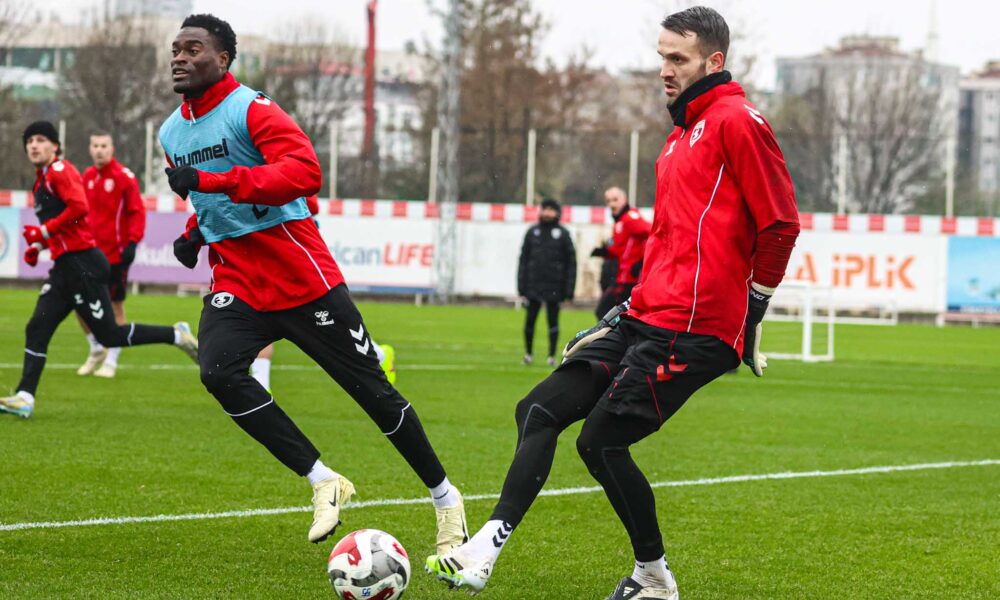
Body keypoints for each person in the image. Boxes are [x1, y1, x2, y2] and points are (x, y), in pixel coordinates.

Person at [426, 7, 800, 599]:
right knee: (537, 409)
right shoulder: (678, 138)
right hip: (646, 316)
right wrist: (625, 310)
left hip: (693, 328)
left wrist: (752, 313)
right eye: (662, 57)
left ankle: (654, 579)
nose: (665, 70)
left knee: (599, 442)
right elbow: (670, 243)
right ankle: (485, 550)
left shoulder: (738, 121)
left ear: (714, 61)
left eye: (678, 58)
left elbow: (780, 224)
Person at [161, 14, 465, 549]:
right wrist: (195, 233)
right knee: (218, 371)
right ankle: (324, 480)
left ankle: (446, 499)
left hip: (300, 274)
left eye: (193, 49)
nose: (180, 58)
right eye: (176, 50)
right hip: (237, 279)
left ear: (223, 59)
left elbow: (304, 173)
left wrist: (215, 180)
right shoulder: (170, 132)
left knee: (373, 393)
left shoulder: (252, 108)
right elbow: (212, 203)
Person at [0, 122, 199, 419]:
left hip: (84, 265)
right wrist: (41, 245)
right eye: (29, 141)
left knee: (110, 335)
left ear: (55, 146)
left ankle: (176, 335)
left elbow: (79, 208)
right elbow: (69, 226)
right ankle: (24, 397)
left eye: (41, 139)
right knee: (37, 327)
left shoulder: (60, 171)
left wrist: (43, 232)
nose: (34, 145)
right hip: (65, 267)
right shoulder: (42, 181)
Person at [76, 131, 147, 378]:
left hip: (115, 256)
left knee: (115, 306)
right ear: (90, 149)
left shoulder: (124, 177)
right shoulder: (86, 177)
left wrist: (132, 243)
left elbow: (137, 212)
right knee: (78, 302)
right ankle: (96, 348)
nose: (99, 150)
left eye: (103, 145)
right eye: (95, 145)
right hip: (89, 253)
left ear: (112, 148)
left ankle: (111, 361)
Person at [516, 198, 576, 366]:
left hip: (554, 285)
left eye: (551, 210)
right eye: (545, 209)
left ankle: (551, 355)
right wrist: (521, 286)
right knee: (530, 320)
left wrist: (569, 289)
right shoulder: (532, 232)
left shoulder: (563, 234)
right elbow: (523, 260)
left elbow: (571, 263)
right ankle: (528, 354)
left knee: (553, 321)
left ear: (557, 213)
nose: (548, 213)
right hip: (533, 285)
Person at [592, 186, 651, 318]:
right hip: (621, 277)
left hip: (630, 279)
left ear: (624, 200)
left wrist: (641, 262)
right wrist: (606, 252)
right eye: (608, 201)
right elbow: (620, 250)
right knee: (614, 315)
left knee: (605, 312)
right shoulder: (620, 222)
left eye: (615, 200)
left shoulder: (630, 218)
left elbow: (653, 234)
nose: (611, 204)